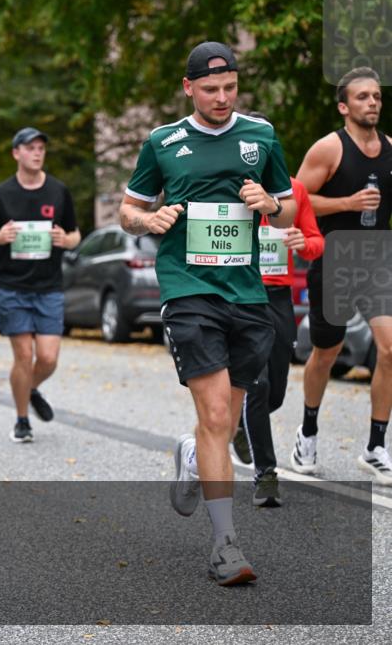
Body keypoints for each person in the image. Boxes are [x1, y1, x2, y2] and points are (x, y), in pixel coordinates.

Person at [119, 41, 296, 585]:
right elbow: (129, 208)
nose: (222, 98)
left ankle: (194, 454)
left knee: (220, 418)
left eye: (230, 88)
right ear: (188, 86)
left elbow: (288, 203)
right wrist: (147, 222)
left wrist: (270, 205)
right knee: (219, 417)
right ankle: (226, 545)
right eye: (211, 89)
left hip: (247, 294)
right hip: (188, 289)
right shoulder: (163, 142)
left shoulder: (261, 135)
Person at [290, 67, 392, 484]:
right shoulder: (328, 149)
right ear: (343, 106)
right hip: (333, 262)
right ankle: (307, 432)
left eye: (376, 96)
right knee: (327, 353)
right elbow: (295, 200)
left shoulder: (390, 149)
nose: (372, 102)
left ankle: (375, 446)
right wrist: (348, 202)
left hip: (376, 261)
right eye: (363, 97)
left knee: (390, 350)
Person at [225, 113, 325, 507]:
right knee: (258, 385)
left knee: (275, 393)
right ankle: (266, 475)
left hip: (280, 299)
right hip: (243, 293)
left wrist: (304, 242)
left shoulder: (294, 191)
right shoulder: (229, 185)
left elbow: (316, 242)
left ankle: (238, 425)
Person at [0, 126, 81, 443]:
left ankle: (28, 388)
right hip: (11, 286)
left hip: (49, 286)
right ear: (17, 153)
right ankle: (22, 419)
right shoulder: (1, 194)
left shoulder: (58, 191)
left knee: (48, 358)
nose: (37, 152)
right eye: (30, 147)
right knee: (23, 355)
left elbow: (75, 235)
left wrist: (64, 239)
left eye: (41, 147)